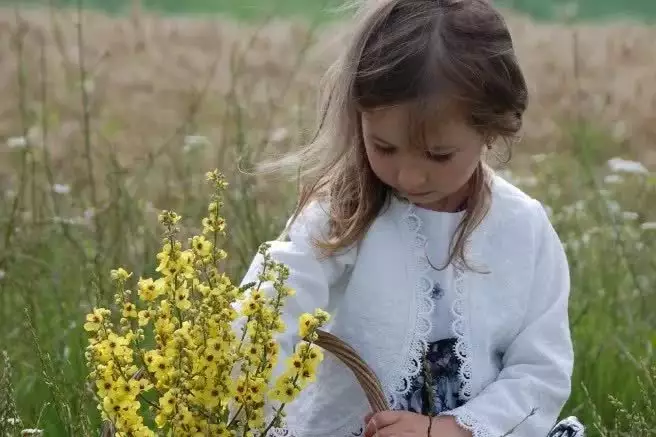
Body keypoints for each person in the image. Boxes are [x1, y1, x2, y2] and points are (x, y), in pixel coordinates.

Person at [239, 0, 585, 436]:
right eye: (383, 147)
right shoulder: (342, 214)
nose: (409, 174)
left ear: (491, 129)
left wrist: (448, 429)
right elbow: (271, 310)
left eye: (438, 154)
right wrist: (239, 393)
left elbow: (540, 371)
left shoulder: (524, 228)